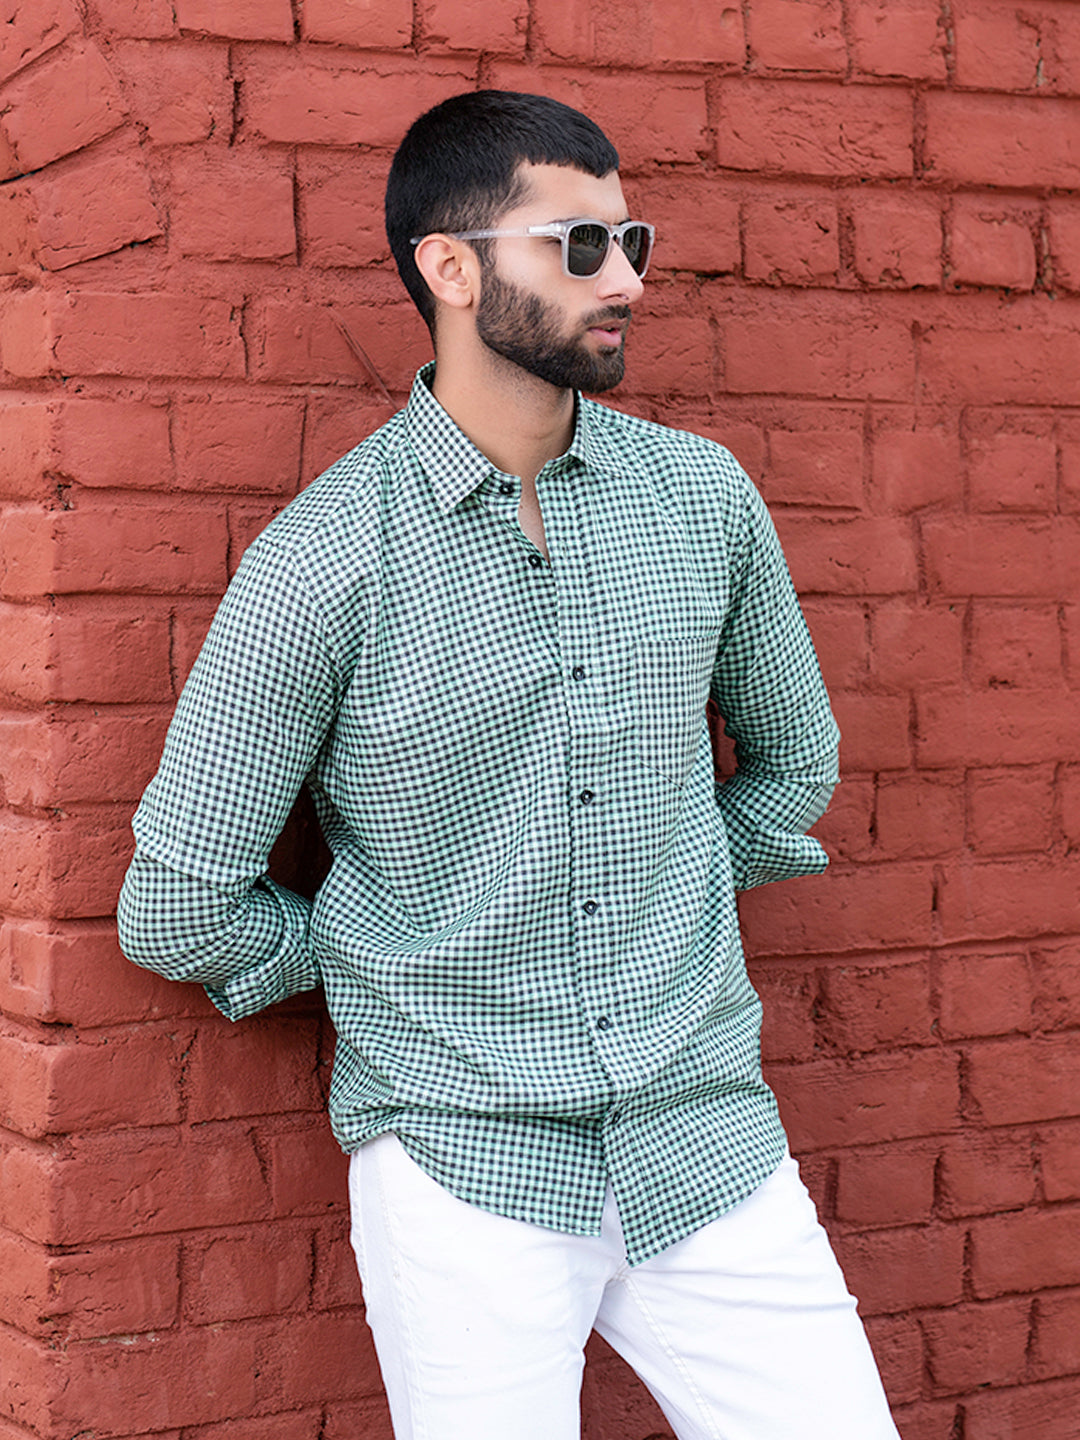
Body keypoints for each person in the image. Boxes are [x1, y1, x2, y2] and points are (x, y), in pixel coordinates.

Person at [118, 90, 901, 1440]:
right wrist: (392, 955)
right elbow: (177, 907)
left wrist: (674, 884)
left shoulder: (702, 501)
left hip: (706, 1140)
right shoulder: (325, 561)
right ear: (451, 266)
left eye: (632, 241)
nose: (627, 280)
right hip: (464, 1170)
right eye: (578, 245)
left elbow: (794, 766)